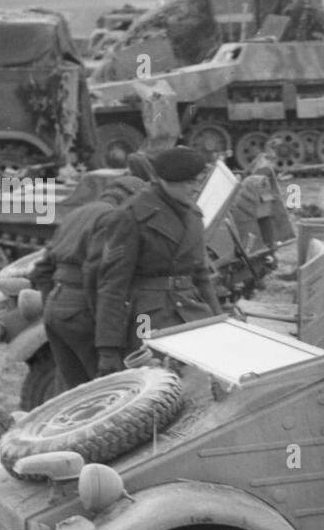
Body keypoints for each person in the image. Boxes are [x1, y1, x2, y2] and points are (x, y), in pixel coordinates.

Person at [93, 146, 222, 373]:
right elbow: (113, 285)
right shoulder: (131, 216)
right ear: (167, 180)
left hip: (191, 308)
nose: (195, 189)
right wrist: (108, 349)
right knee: (160, 379)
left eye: (198, 182)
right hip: (148, 316)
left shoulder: (193, 213)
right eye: (189, 183)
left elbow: (201, 274)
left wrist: (218, 319)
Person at [30, 173, 146, 390]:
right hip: (82, 307)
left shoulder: (77, 214)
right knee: (106, 391)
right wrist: (105, 337)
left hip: (56, 306)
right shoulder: (116, 218)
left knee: (73, 392)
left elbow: (41, 270)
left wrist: (54, 305)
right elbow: (101, 279)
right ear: (132, 198)